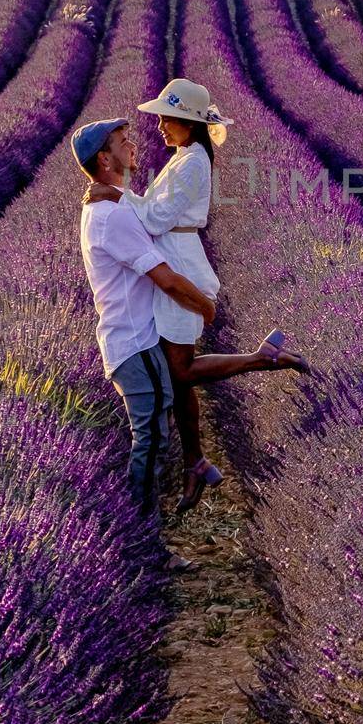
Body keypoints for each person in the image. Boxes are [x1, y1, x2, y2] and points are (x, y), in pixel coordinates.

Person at [84, 78, 310, 515]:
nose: (160, 127)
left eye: (168, 119)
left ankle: (260, 360)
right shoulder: (184, 156)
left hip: (181, 263)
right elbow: (152, 212)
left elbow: (156, 216)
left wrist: (116, 193)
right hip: (173, 254)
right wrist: (119, 195)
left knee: (181, 371)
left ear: (189, 122)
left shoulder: (192, 163)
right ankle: (195, 460)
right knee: (177, 371)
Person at [75, 117, 218, 538]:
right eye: (122, 142)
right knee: (151, 442)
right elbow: (166, 279)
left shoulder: (112, 205)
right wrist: (205, 308)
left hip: (133, 342)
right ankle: (141, 540)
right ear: (105, 159)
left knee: (155, 436)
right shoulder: (109, 217)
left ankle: (147, 532)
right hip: (133, 344)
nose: (132, 144)